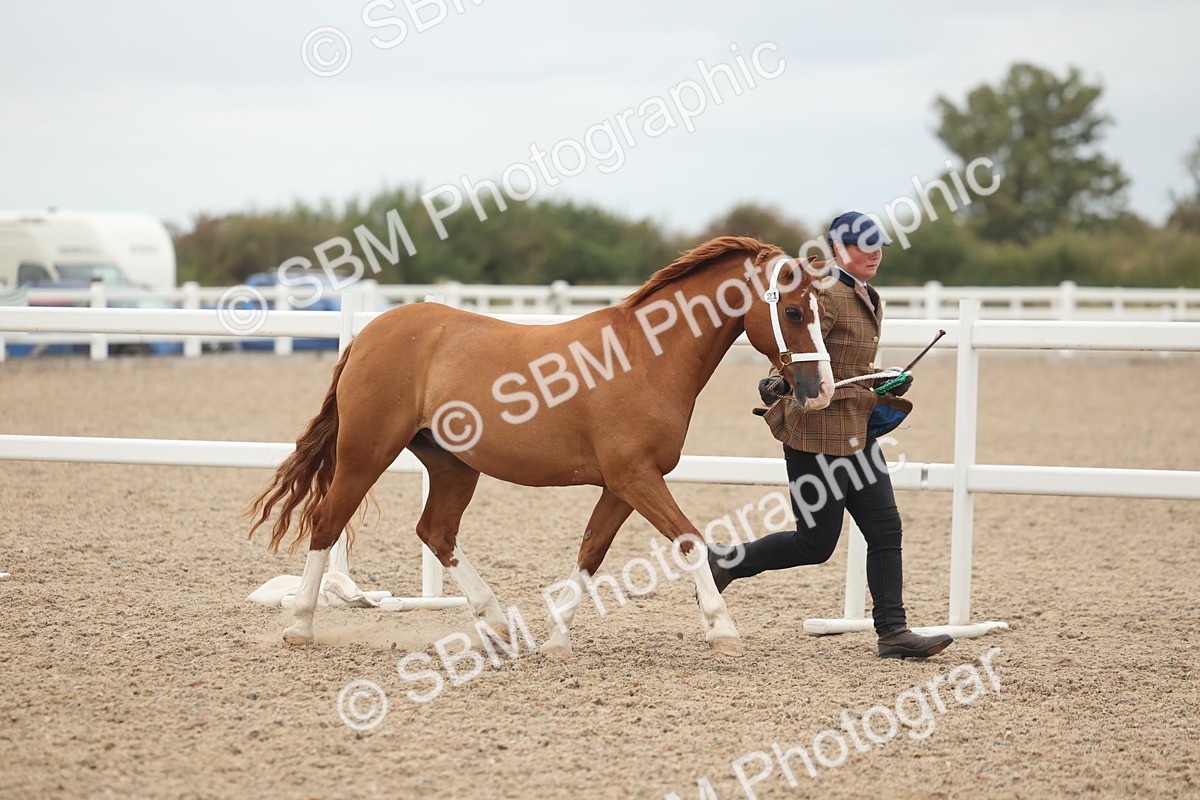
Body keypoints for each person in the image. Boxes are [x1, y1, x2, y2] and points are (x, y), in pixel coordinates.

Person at [708, 210, 953, 659]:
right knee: (814, 544)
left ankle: (893, 633)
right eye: (863, 244)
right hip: (815, 435)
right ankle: (726, 561)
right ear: (838, 249)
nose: (875, 252)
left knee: (885, 531)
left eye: (878, 243)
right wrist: (779, 382)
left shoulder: (867, 294)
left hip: (859, 431)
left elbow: (844, 364)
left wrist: (883, 379)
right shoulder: (822, 293)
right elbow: (797, 344)